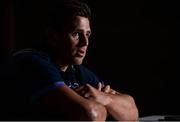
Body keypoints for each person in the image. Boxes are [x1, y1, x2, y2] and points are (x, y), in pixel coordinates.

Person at [4, 0, 138, 121]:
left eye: (87, 34)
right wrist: (107, 105)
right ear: (53, 36)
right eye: (76, 34)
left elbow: (132, 112)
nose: (85, 42)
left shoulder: (74, 69)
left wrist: (102, 97)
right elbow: (91, 115)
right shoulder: (33, 62)